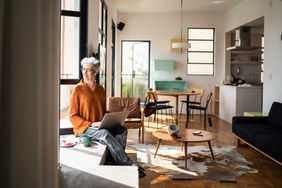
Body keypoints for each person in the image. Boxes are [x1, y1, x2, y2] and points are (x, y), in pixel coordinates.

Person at [69, 57, 146, 178]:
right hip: (83, 128)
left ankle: (114, 160)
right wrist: (90, 124)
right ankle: (128, 164)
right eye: (83, 69)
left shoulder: (100, 89)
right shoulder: (77, 89)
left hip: (100, 126)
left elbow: (102, 110)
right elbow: (72, 116)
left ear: (96, 72)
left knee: (121, 130)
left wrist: (111, 119)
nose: (84, 72)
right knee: (105, 134)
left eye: (88, 70)